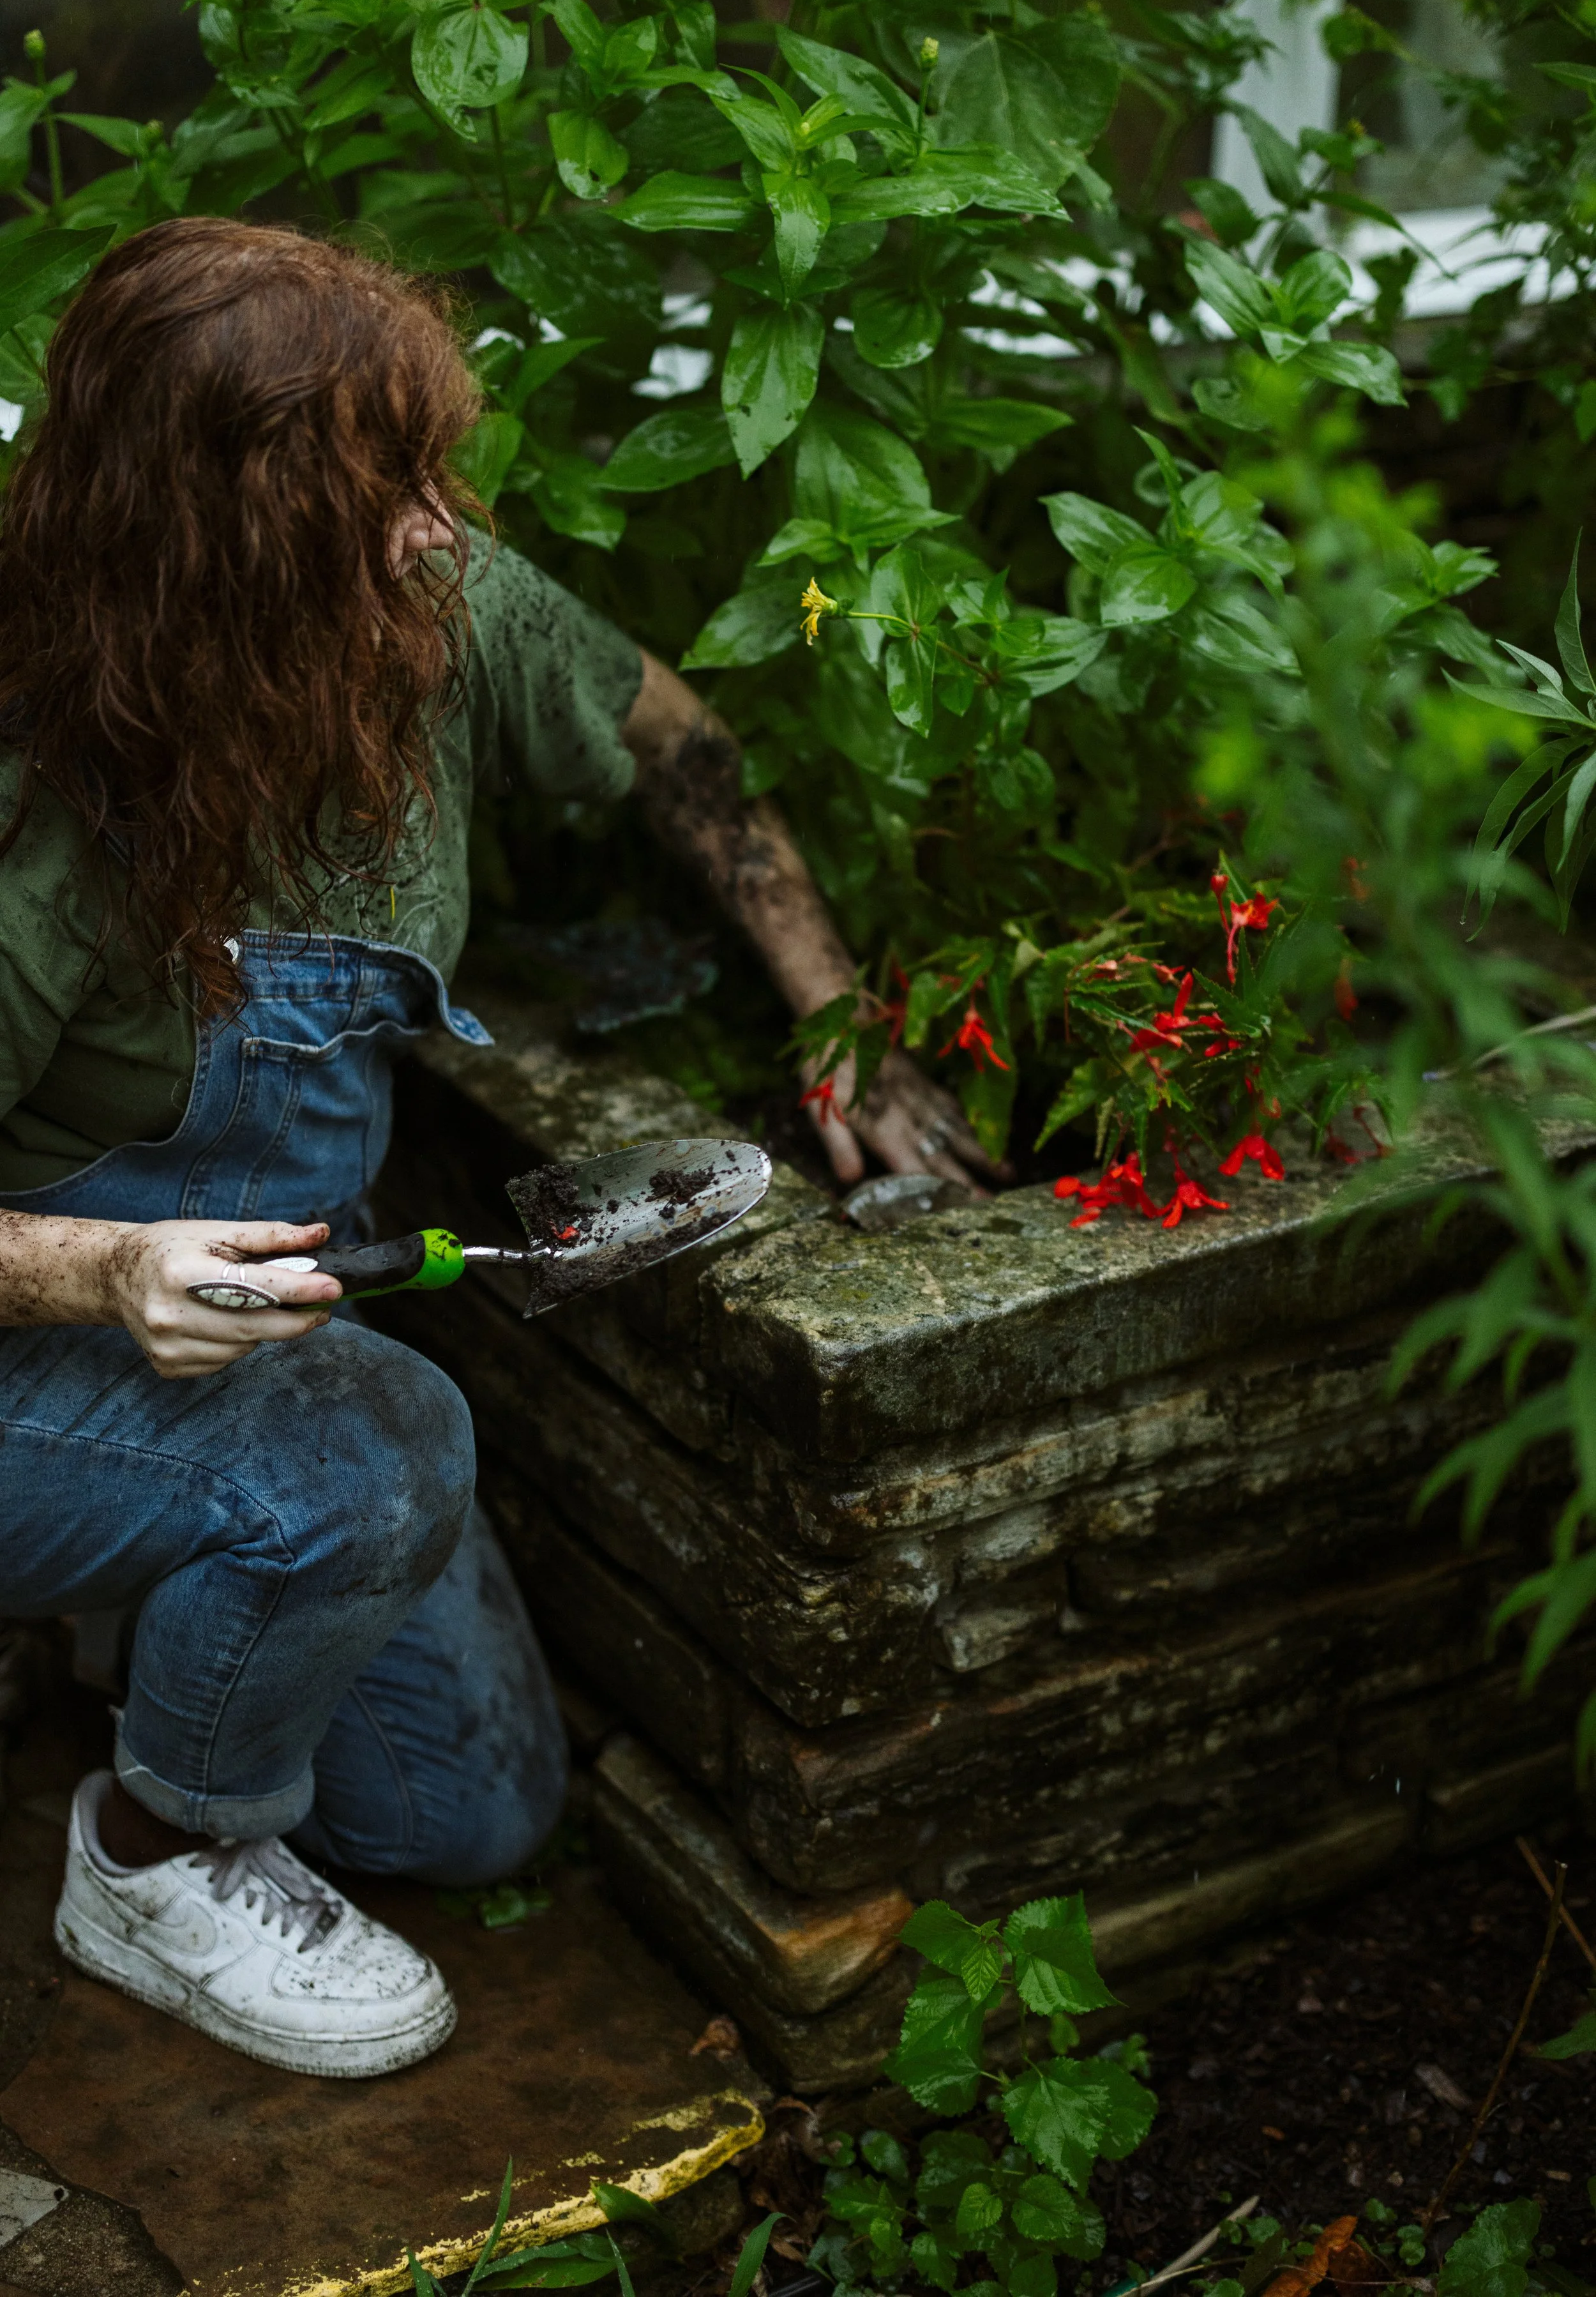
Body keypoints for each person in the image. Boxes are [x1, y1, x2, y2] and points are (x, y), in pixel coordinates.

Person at [0, 219, 990, 2080]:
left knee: (466, 1818)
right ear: (227, 553)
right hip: (33, 1330)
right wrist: (103, 1271)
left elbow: (669, 733)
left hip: (238, 1323)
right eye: (382, 493)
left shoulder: (419, 608)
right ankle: (147, 1850)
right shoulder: (42, 796)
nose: (439, 528)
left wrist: (829, 999)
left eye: (429, 473)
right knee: (387, 1444)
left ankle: (146, 1583)